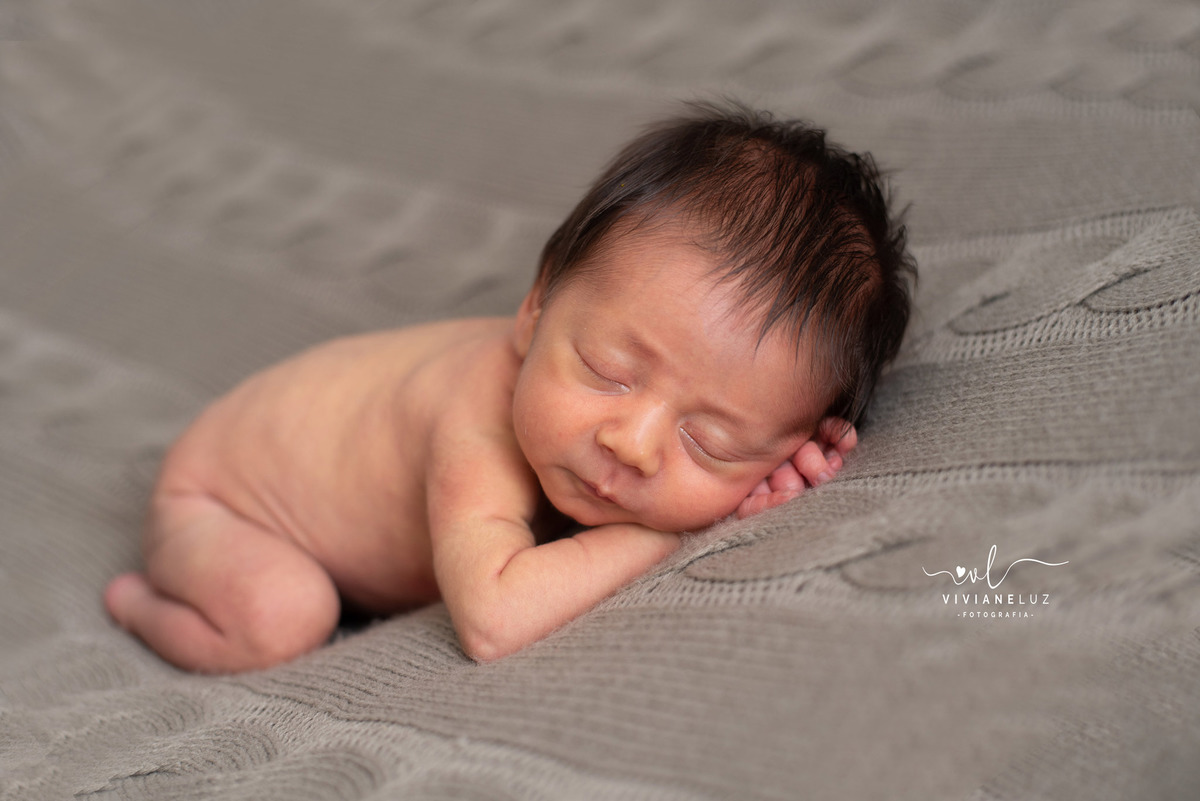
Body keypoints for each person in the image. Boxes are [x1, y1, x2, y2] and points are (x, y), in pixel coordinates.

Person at [104, 102, 915, 671]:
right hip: (223, 500)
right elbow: (494, 619)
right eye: (607, 372)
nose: (629, 444)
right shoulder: (477, 421)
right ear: (533, 310)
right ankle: (139, 602)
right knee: (283, 616)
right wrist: (682, 528)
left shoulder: (577, 419)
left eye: (712, 441)